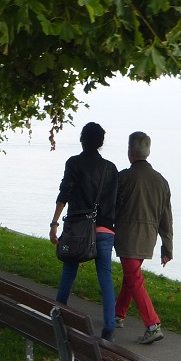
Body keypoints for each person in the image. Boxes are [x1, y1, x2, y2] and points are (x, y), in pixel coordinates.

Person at [49, 122, 119, 340]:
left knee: (69, 270)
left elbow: (65, 193)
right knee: (105, 276)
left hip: (79, 228)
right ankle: (109, 327)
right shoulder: (111, 168)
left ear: (82, 139)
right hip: (105, 229)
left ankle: (58, 316)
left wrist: (54, 223)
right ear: (101, 143)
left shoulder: (74, 163)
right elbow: (116, 202)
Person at [113, 131, 173, 344]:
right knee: (132, 276)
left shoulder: (124, 177)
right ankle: (118, 315)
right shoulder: (161, 181)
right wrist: (167, 247)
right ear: (148, 152)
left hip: (128, 236)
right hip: (149, 238)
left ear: (130, 152)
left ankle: (152, 324)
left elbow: (113, 206)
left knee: (134, 279)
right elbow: (167, 217)